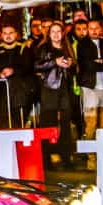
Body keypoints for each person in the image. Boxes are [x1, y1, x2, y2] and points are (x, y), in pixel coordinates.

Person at [33, 22, 78, 157]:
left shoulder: (67, 47)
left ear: (63, 33)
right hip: (49, 88)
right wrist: (54, 62)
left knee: (65, 122)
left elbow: (75, 68)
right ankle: (47, 157)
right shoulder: (43, 48)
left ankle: (66, 156)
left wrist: (71, 64)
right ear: (49, 33)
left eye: (59, 31)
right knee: (48, 122)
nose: (56, 34)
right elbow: (36, 65)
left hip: (65, 88)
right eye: (53, 31)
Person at [74, 19, 103, 135]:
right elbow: (86, 64)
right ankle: (90, 149)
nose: (94, 31)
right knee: (90, 120)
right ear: (87, 30)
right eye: (91, 28)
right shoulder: (82, 44)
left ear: (101, 29)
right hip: (89, 85)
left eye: (96, 28)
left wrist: (100, 61)